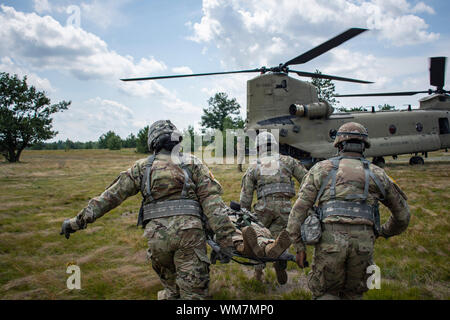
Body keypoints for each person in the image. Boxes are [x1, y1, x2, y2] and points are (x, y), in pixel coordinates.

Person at [60, 120, 253, 300]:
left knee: (172, 290)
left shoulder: (142, 168)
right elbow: (214, 205)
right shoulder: (193, 163)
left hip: (157, 240)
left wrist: (75, 222)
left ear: (153, 142)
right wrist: (226, 241)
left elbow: (108, 199)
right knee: (193, 294)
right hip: (190, 237)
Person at [287, 122, 410, 300]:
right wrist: (383, 231)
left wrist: (299, 247)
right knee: (355, 293)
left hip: (329, 244)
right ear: (364, 146)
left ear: (338, 144)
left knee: (326, 293)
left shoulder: (320, 170)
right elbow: (403, 216)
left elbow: (297, 212)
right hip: (363, 246)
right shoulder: (378, 174)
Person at [239, 131, 307, 282]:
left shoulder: (254, 167)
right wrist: (304, 202)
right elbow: (307, 180)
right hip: (286, 209)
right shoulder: (289, 161)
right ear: (275, 146)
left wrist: (245, 214)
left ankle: (258, 272)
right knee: (280, 238)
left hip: (263, 209)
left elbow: (246, 196)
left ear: (258, 148)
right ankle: (279, 263)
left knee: (259, 239)